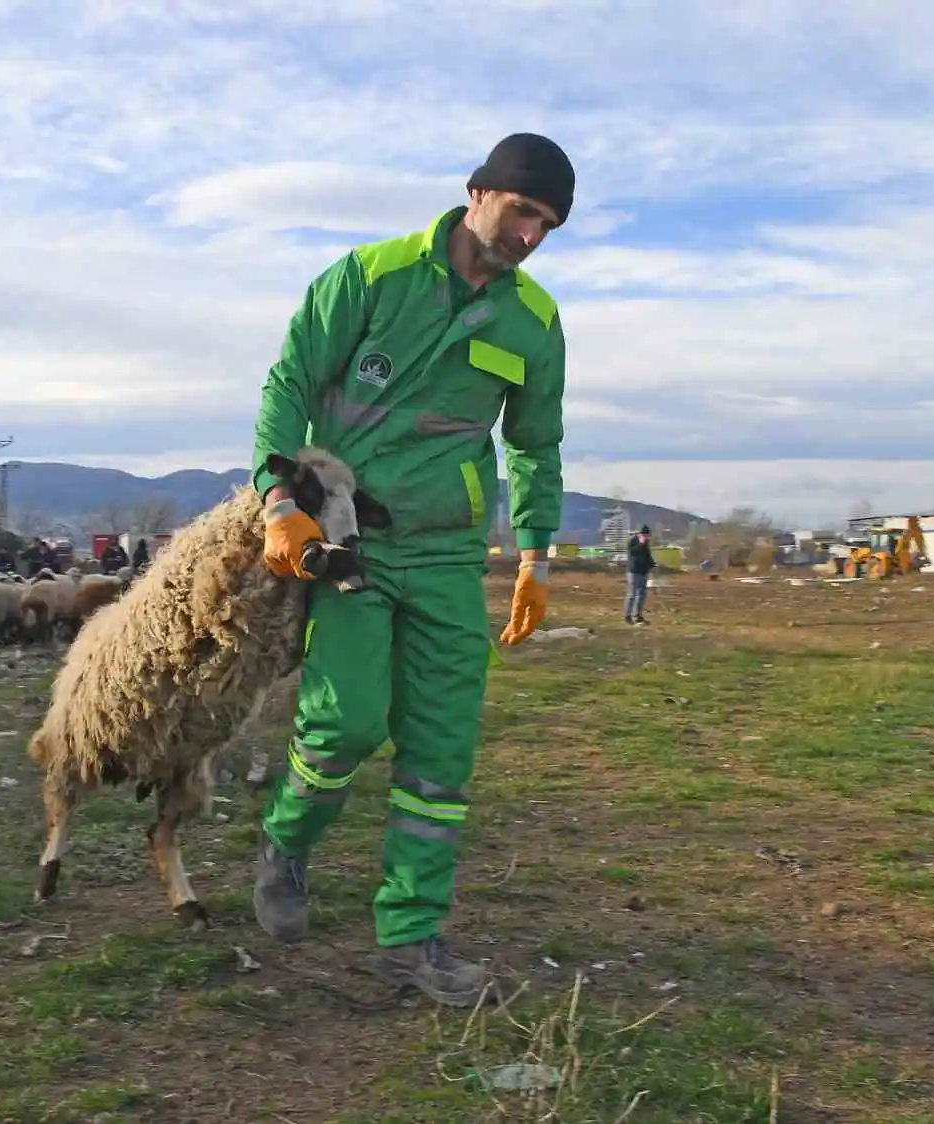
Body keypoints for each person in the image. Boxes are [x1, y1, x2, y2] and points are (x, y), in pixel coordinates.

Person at [250, 132, 573, 1006]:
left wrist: (536, 556)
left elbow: (535, 446)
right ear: (476, 193)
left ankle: (410, 937)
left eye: (548, 225)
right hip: (351, 540)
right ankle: (286, 841)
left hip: (446, 556)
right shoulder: (367, 278)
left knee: (440, 757)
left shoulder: (534, 324)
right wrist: (279, 505)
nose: (530, 236)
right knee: (346, 725)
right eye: (522, 212)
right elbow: (287, 386)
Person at [625, 524, 655, 624]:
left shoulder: (646, 542)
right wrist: (641, 544)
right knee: (632, 594)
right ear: (640, 534)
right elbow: (633, 552)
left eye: (647, 536)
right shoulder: (632, 541)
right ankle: (627, 615)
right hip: (634, 571)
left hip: (643, 571)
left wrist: (652, 564)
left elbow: (647, 554)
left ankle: (638, 615)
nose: (646, 537)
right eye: (645, 535)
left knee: (642, 594)